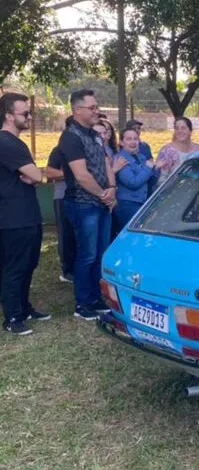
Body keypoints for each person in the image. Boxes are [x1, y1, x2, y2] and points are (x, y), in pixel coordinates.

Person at [58, 89, 116, 320]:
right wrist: (104, 194)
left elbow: (106, 162)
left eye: (97, 106)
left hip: (101, 203)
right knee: (87, 255)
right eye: (92, 108)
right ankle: (82, 304)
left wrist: (113, 189)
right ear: (77, 110)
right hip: (83, 205)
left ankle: (95, 297)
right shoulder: (70, 137)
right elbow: (81, 175)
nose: (97, 111)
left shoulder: (95, 134)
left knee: (100, 254)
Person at [0, 92, 49, 335]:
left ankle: (24, 307)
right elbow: (37, 175)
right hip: (14, 218)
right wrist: (40, 177)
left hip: (25, 215)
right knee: (15, 268)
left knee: (28, 265)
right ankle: (12, 318)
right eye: (25, 113)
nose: (29, 116)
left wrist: (35, 177)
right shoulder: (7, 142)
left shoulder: (14, 142)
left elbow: (33, 176)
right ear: (9, 116)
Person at [45, 121, 76, 284]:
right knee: (65, 235)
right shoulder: (59, 150)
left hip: (79, 197)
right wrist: (73, 173)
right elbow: (49, 173)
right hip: (62, 197)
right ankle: (67, 271)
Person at [114, 129, 156, 231]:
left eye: (135, 139)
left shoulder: (142, 157)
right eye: (128, 139)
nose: (133, 142)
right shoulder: (120, 159)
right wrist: (148, 168)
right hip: (127, 205)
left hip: (143, 202)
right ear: (121, 142)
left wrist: (156, 169)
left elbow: (151, 180)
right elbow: (133, 183)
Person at [155, 117, 199, 184]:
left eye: (183, 128)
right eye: (177, 128)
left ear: (190, 130)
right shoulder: (166, 151)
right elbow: (161, 179)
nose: (179, 131)